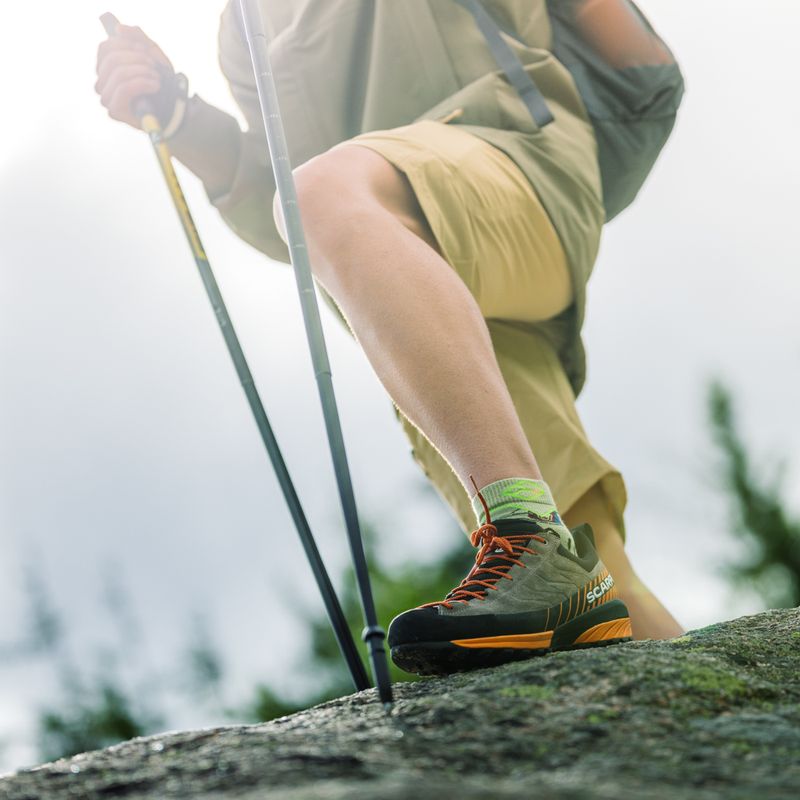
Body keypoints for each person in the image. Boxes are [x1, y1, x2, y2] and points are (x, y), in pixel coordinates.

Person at [95, 0, 684, 675]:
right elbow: (275, 205)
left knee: (319, 192)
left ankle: (527, 538)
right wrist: (176, 114)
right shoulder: (245, 24)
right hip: (417, 292)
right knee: (601, 593)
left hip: (519, 166)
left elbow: (637, 58)